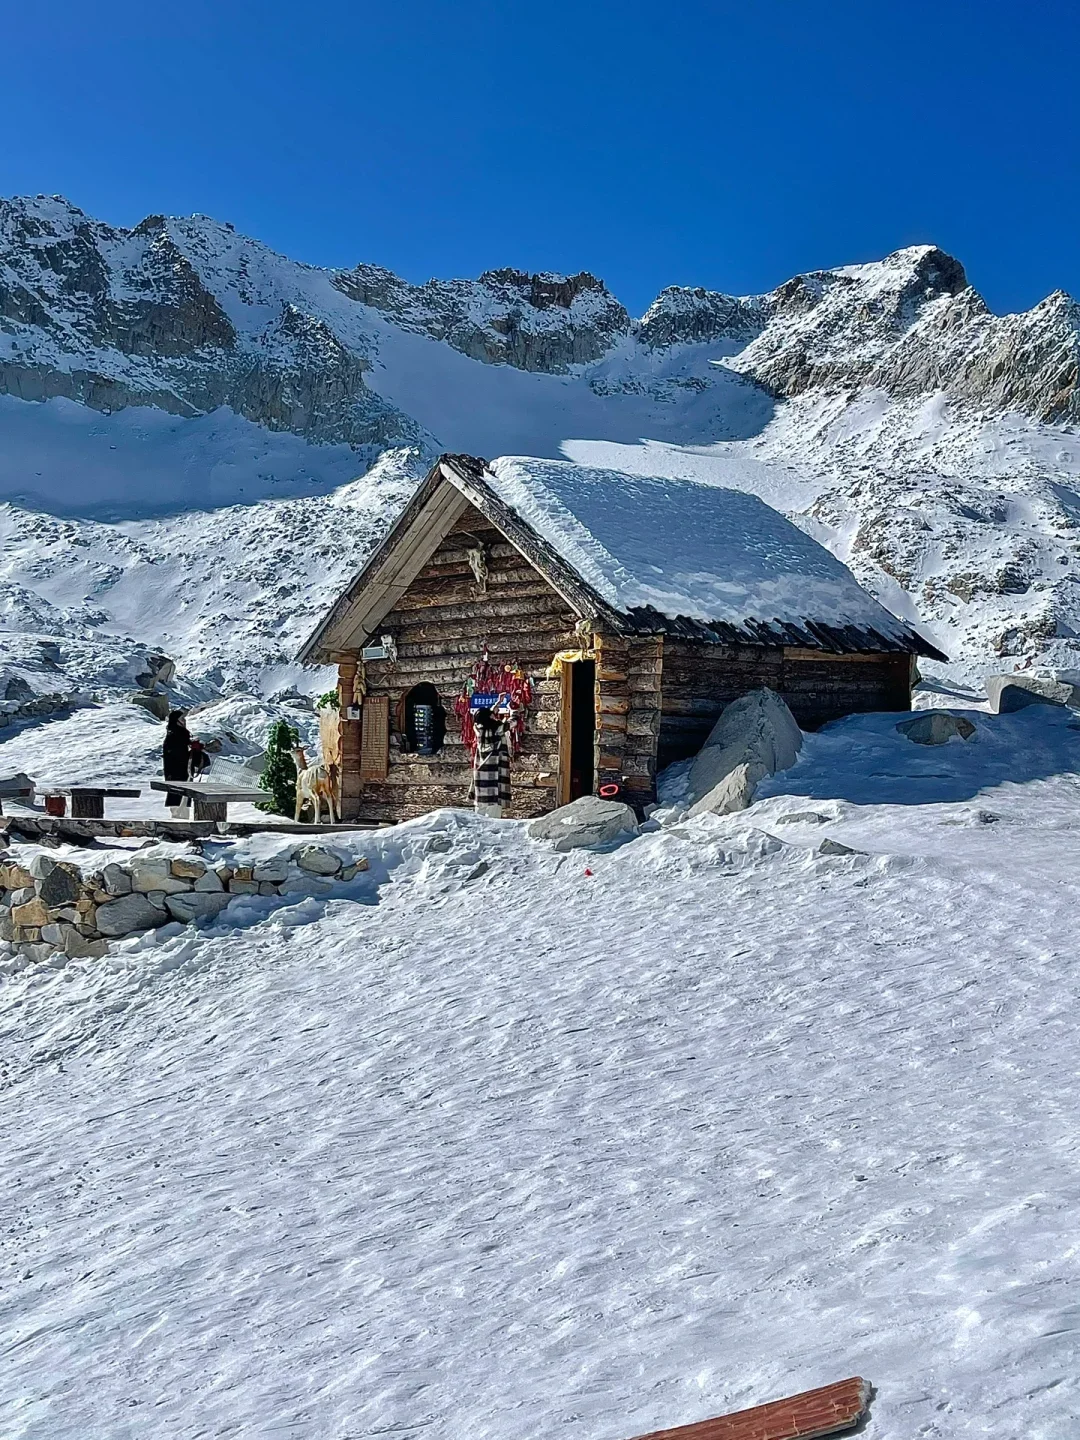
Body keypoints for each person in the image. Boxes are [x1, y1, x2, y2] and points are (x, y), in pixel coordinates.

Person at [468, 705, 511, 818]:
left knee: (480, 808)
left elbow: (486, 718)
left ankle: (476, 833)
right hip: (494, 775)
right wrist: (514, 710)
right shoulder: (498, 729)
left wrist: (497, 704)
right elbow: (513, 722)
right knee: (494, 810)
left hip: (480, 774)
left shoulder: (477, 728)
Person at [162, 710, 191, 815]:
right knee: (178, 803)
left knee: (182, 802)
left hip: (181, 774)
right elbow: (179, 755)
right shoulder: (175, 735)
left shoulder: (180, 734)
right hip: (176, 774)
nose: (184, 721)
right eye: (182, 719)